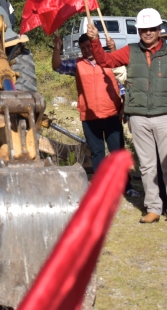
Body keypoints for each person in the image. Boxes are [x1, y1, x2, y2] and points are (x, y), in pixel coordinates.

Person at [86, 8, 167, 227]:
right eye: (144, 29)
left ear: (159, 30)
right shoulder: (129, 51)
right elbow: (105, 61)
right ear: (138, 30)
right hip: (139, 117)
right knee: (147, 166)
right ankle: (153, 208)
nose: (148, 33)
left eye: (152, 29)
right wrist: (95, 41)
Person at [52, 32, 135, 195]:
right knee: (97, 153)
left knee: (117, 152)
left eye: (89, 46)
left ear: (95, 45)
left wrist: (125, 106)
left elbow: (122, 83)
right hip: (89, 117)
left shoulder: (109, 61)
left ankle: (127, 187)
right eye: (83, 48)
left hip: (112, 114)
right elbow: (57, 66)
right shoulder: (77, 65)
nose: (87, 50)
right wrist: (57, 49)